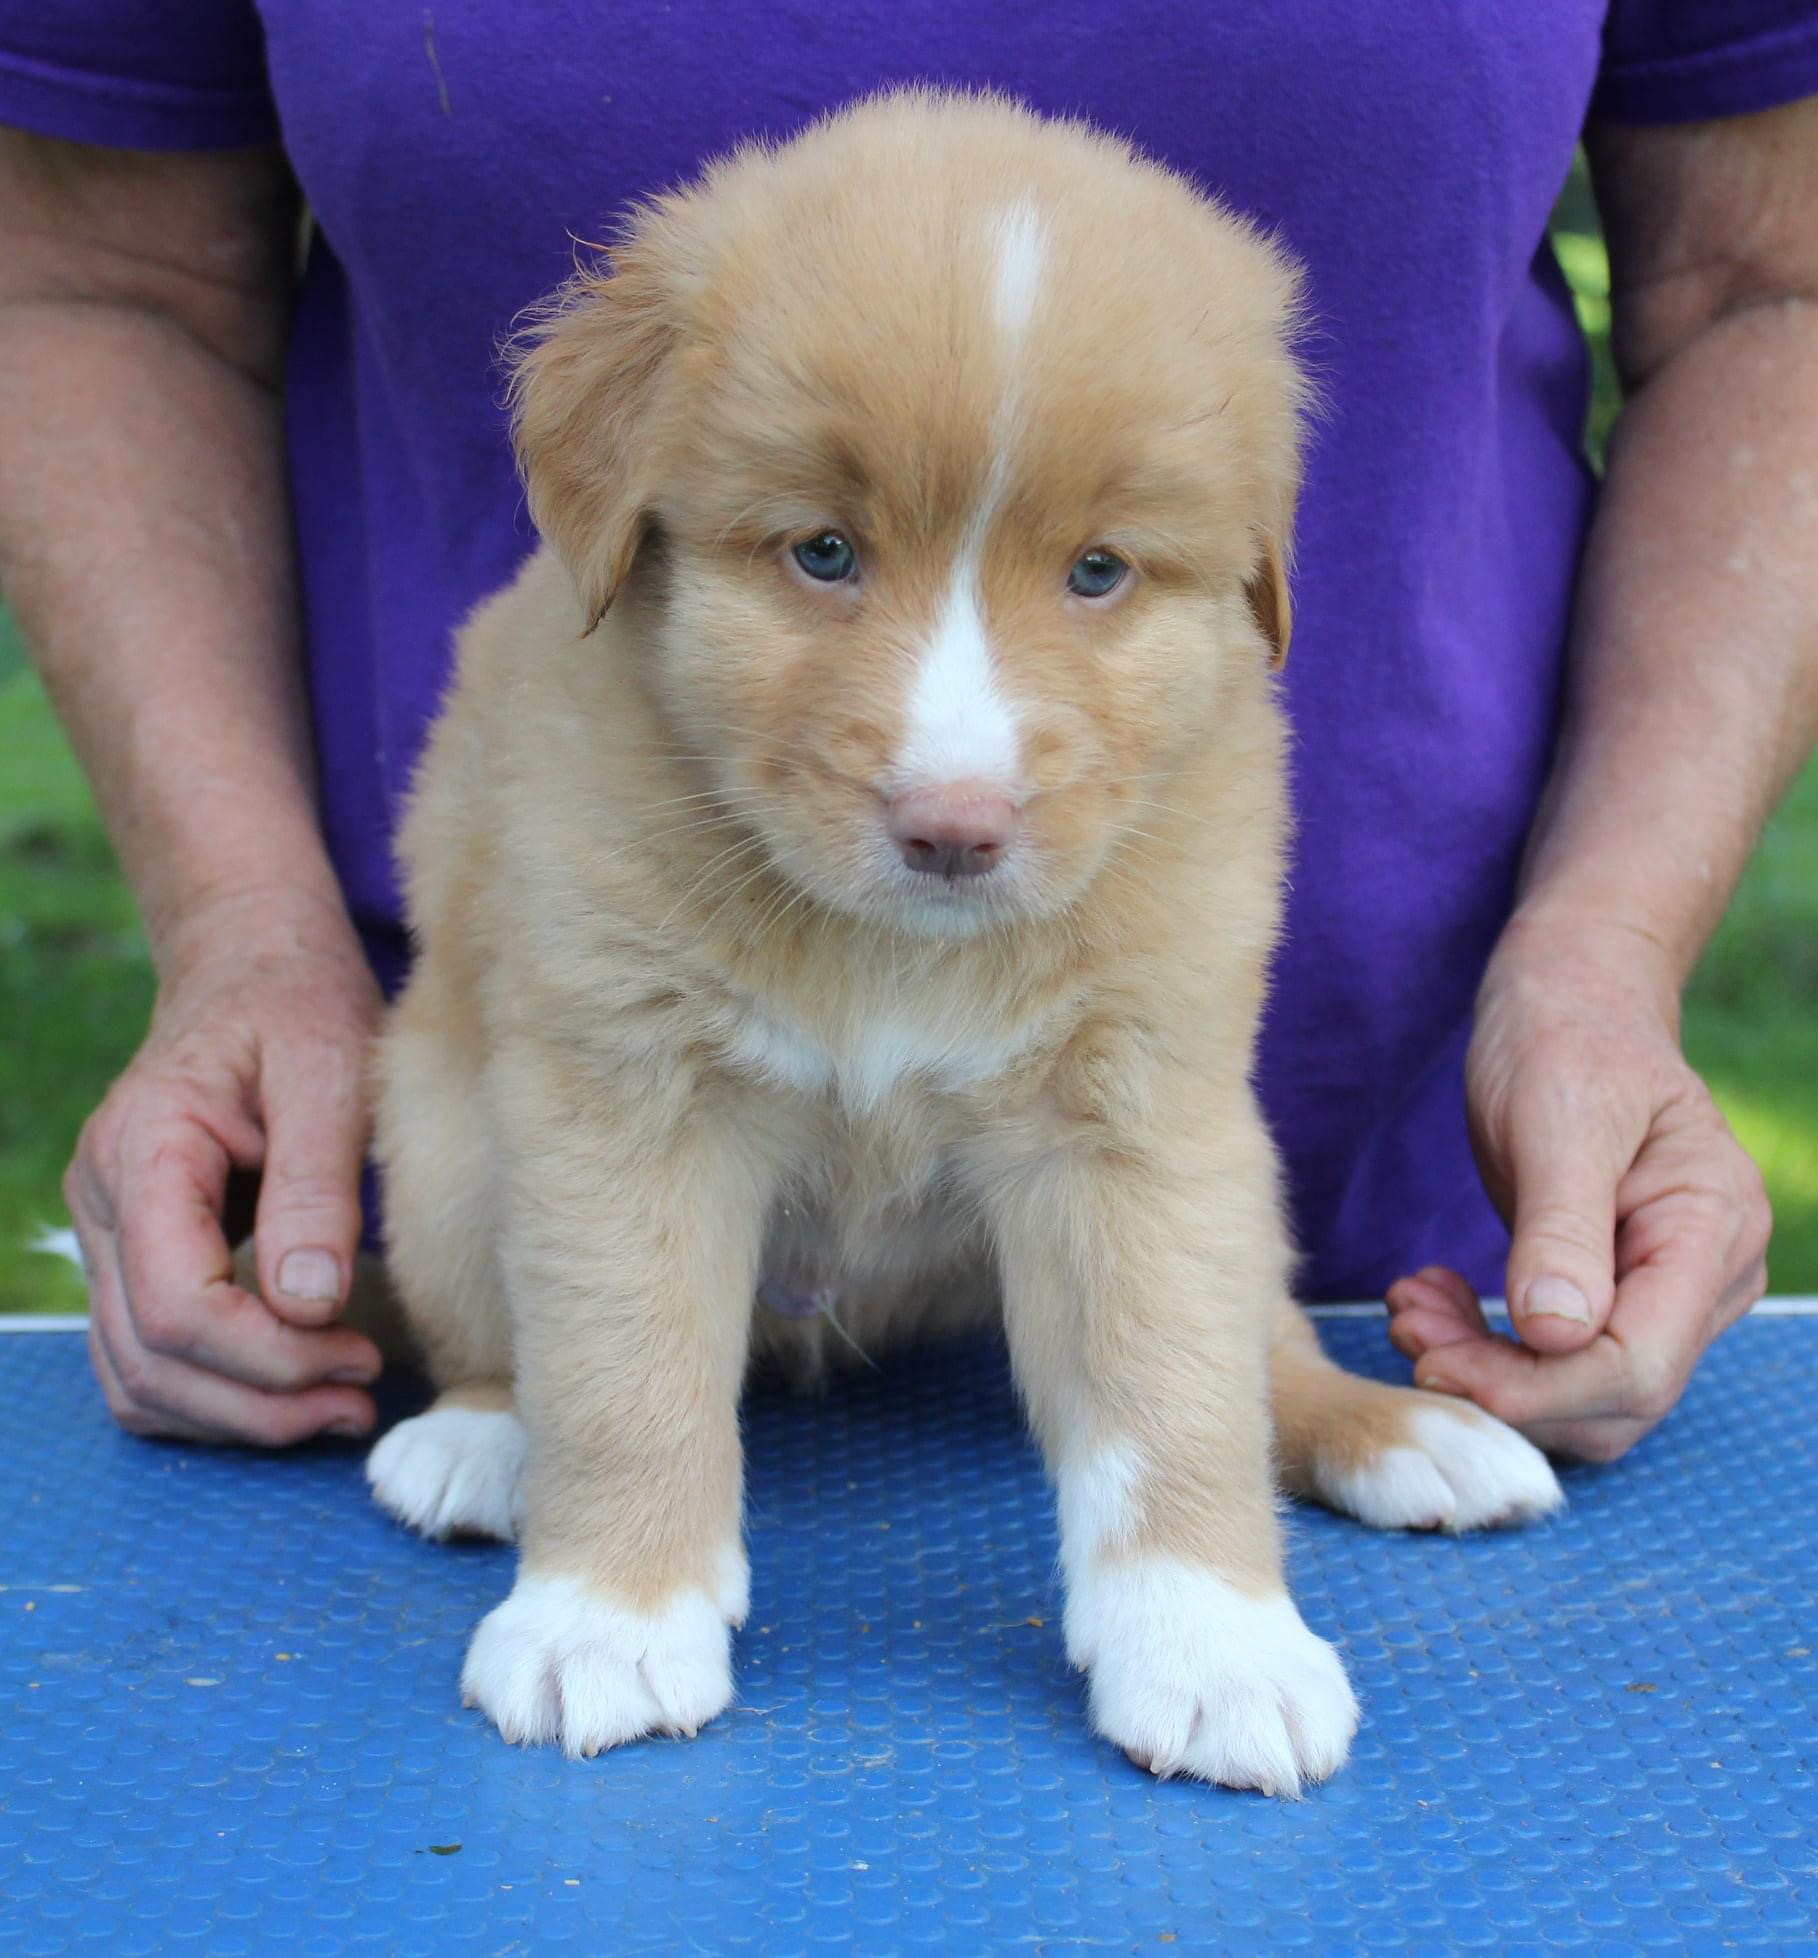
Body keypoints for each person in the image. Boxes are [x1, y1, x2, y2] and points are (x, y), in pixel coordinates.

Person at [0, 5, 1811, 1461]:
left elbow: (1771, 277)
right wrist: (245, 925)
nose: (957, 778)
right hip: (559, 1078)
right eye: (823, 551)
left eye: (1097, 567)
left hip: (1368, 1143)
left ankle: (1274, 1399)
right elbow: (95, 275)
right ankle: (508, 1382)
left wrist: (1605, 950)